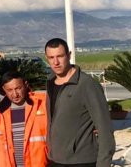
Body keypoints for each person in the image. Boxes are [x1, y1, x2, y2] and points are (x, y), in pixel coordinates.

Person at [44, 38, 114, 167]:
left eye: (60, 56)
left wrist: (104, 163)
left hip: (82, 160)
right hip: (55, 160)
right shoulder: (50, 82)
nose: (56, 62)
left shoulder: (87, 84)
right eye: (51, 57)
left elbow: (105, 128)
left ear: (69, 55)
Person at [0, 71, 48, 167]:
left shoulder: (42, 104)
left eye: (18, 88)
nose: (15, 94)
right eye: (10, 90)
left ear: (26, 85)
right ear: (4, 89)